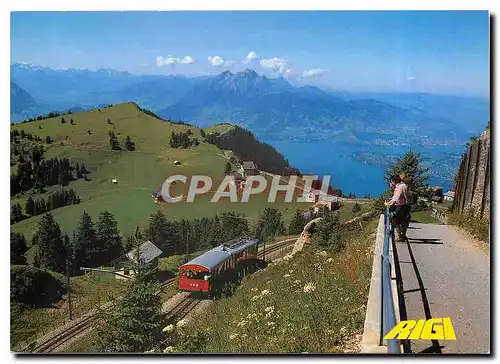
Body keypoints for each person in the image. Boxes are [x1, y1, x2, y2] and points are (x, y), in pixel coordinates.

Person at [384, 175, 410, 242]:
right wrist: (390, 201)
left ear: (393, 181)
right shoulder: (404, 185)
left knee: (396, 220)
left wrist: (387, 204)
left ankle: (399, 236)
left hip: (400, 206)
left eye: (391, 182)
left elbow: (396, 198)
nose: (391, 183)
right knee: (404, 221)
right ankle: (403, 235)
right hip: (406, 206)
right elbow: (395, 197)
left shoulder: (399, 187)